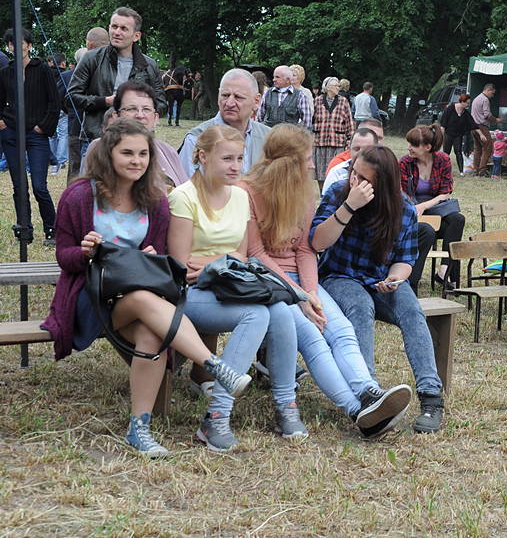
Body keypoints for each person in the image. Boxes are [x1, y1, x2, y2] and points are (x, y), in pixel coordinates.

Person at [41, 118, 251, 457]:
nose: (137, 161)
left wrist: (150, 255)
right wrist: (84, 251)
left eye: (143, 154)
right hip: (91, 295)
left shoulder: (154, 198)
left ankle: (139, 428)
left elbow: (163, 258)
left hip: (137, 294)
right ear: (108, 154)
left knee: (151, 334)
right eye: (127, 153)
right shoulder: (80, 196)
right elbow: (63, 256)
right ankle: (212, 364)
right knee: (142, 301)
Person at [240, 124, 412, 437]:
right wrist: (299, 297)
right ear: (287, 163)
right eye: (306, 158)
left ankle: (369, 392)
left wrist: (310, 292)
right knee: (312, 335)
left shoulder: (305, 191)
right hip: (267, 281)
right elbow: (256, 254)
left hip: (302, 281)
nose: (312, 164)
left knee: (341, 329)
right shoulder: (247, 192)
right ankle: (357, 411)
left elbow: (306, 249)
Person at [169, 124, 305, 451]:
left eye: (240, 158)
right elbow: (180, 264)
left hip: (230, 286)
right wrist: (224, 258)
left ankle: (285, 405)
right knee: (257, 316)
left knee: (279, 310)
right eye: (227, 158)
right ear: (201, 157)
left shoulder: (241, 196)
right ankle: (217, 416)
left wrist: (216, 259)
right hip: (192, 294)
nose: (236, 166)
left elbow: (242, 254)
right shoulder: (183, 196)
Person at [310, 146, 446, 433]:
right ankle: (369, 394)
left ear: (382, 184)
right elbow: (317, 243)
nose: (354, 182)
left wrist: (395, 279)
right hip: (339, 275)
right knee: (360, 306)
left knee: (411, 311)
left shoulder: (404, 209)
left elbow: (405, 260)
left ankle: (431, 398)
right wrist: (349, 206)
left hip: (381, 278)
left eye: (363, 179)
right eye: (353, 173)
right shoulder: (337, 193)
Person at [67, 8, 165, 148]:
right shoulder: (91, 58)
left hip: (137, 141)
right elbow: (70, 98)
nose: (117, 32)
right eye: (114, 26)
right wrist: (104, 101)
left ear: (136, 36)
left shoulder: (149, 65)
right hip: (98, 138)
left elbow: (161, 104)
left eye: (124, 28)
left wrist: (140, 110)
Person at [0, 28, 60, 246]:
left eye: (21, 41)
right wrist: (3, 122)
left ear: (29, 45)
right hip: (12, 133)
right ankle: (24, 229)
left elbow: (54, 101)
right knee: (19, 186)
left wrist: (43, 127)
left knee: (39, 186)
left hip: (36, 134)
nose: (16, 45)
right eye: (11, 43)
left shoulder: (42, 68)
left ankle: (51, 229)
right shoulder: (6, 72)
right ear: (9, 46)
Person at [82, 81, 191, 187]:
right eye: (131, 109)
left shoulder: (168, 151)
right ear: (116, 116)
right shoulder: (99, 148)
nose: (140, 115)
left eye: (146, 109)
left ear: (155, 118)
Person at [399, 124, 465, 288]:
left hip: (435, 211)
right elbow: (400, 192)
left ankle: (445, 270)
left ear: (428, 147)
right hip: (413, 213)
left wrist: (424, 206)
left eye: (414, 145)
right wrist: (415, 207)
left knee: (457, 219)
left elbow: (446, 191)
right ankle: (412, 278)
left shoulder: (443, 160)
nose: (409, 148)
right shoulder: (405, 163)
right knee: (425, 229)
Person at [178, 68, 271, 174]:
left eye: (238, 97)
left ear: (256, 101)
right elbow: (188, 186)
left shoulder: (269, 139)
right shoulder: (197, 139)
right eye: (225, 95)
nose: (230, 103)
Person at [66, 29, 110, 184]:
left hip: (85, 130)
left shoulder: (90, 67)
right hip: (88, 129)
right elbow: (70, 97)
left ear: (89, 44)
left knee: (80, 175)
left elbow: (67, 99)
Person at [312, 76, 353, 190]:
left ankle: (332, 192)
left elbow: (349, 121)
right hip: (320, 140)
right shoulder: (317, 100)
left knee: (335, 169)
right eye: (335, 85)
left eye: (338, 86)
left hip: (337, 141)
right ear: (327, 87)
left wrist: (350, 139)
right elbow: (311, 119)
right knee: (320, 172)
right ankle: (322, 193)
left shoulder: (343, 101)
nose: (338, 88)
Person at [322, 126, 380, 195]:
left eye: (367, 149)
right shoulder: (337, 173)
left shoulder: (384, 172)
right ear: (349, 149)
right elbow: (326, 203)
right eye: (356, 149)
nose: (360, 154)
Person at [439, 93, 477, 173]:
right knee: (446, 152)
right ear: (462, 101)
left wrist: (481, 134)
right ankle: (442, 169)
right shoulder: (450, 109)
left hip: (458, 135)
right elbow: (443, 124)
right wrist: (441, 136)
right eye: (467, 103)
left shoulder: (465, 113)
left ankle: (461, 171)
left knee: (458, 151)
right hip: (448, 134)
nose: (468, 105)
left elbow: (473, 124)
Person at [471, 83, 501, 177]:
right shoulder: (485, 99)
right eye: (492, 93)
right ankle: (482, 171)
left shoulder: (476, 98)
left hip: (473, 126)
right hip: (482, 127)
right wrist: (496, 120)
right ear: (488, 90)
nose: (492, 96)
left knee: (477, 149)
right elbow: (487, 115)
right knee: (487, 148)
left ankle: (476, 170)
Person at [48, 52, 70, 175]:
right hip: (61, 108)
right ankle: (61, 160)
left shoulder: (46, 74)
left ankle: (53, 160)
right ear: (63, 63)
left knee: (52, 135)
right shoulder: (65, 75)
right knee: (63, 134)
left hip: (49, 108)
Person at [289, 64, 314, 130]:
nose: (291, 77)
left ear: (300, 77)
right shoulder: (285, 90)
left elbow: (310, 111)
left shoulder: (306, 92)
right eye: (290, 75)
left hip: (300, 127)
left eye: (294, 75)